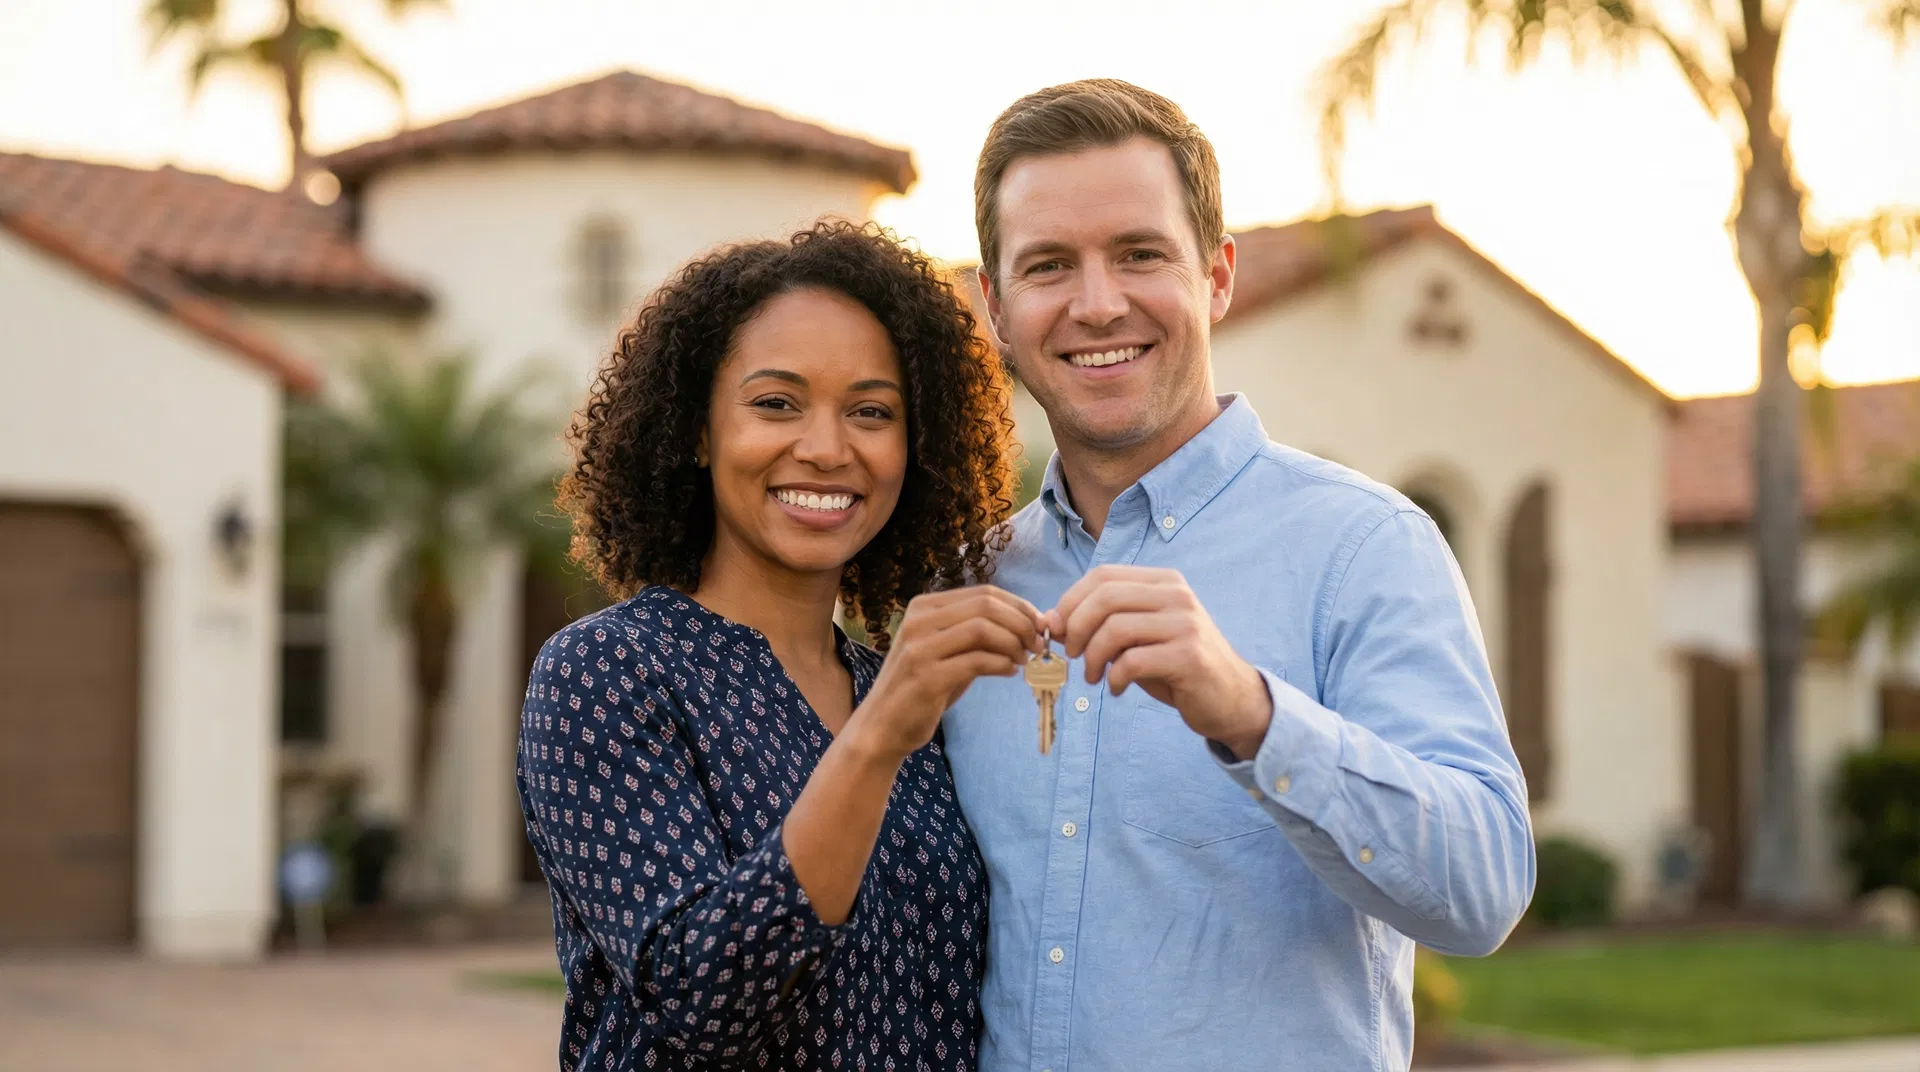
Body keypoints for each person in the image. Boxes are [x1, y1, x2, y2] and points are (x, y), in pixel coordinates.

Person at [943, 79, 1536, 1068]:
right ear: (998, 309)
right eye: (1050, 266)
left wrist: (1253, 715)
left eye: (1140, 254)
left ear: (1217, 276)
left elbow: (1483, 890)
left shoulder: (1365, 547)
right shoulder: (962, 589)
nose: (1098, 304)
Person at [517, 221, 1045, 1071]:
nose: (828, 448)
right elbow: (702, 1003)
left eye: (872, 412)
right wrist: (875, 741)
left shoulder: (905, 694)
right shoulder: (607, 672)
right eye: (776, 403)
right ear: (696, 429)